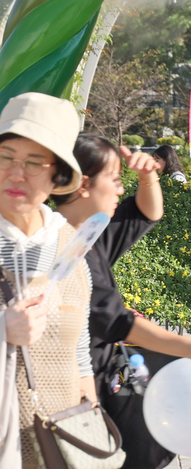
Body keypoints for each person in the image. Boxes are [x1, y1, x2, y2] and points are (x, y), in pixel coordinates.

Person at [53, 134, 191, 469]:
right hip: (78, 393)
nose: (120, 188)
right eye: (113, 180)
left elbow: (146, 212)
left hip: (103, 381)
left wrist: (148, 176)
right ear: (83, 185)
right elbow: (116, 322)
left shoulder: (87, 234)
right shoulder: (64, 250)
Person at [0, 93, 95, 468]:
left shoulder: (69, 246)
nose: (16, 173)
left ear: (57, 173)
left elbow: (80, 353)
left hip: (59, 449)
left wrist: (91, 425)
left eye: (34, 162)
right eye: (6, 157)